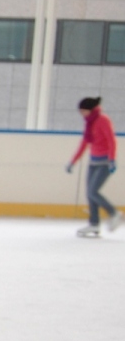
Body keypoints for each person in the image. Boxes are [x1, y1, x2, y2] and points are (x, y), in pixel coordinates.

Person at [66, 96, 119, 238]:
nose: (82, 114)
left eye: (83, 111)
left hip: (105, 163)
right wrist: (73, 161)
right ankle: (94, 224)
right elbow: (84, 143)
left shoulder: (103, 120)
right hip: (93, 162)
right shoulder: (90, 123)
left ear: (90, 110)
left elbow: (111, 141)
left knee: (93, 192)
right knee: (89, 194)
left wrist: (112, 160)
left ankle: (114, 213)